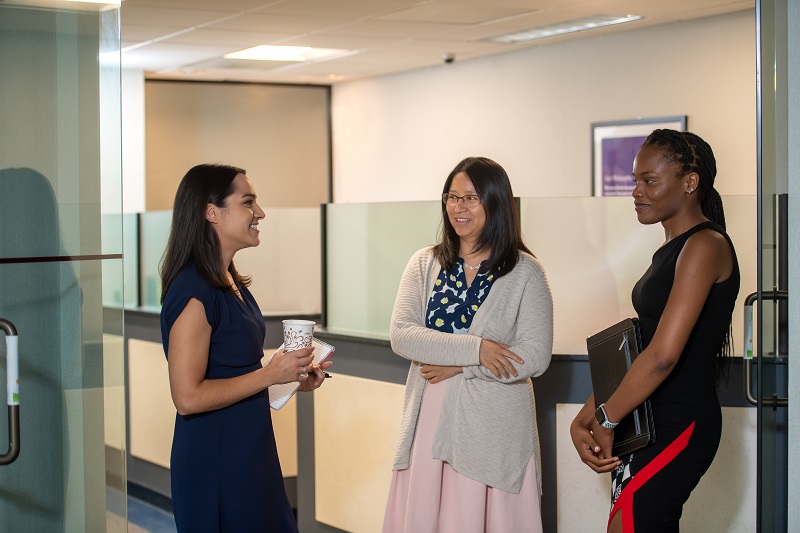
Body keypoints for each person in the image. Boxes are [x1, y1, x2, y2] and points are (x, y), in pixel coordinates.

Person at [570, 129, 740, 532]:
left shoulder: (704, 246)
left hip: (677, 423)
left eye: (649, 180)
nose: (636, 191)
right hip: (644, 420)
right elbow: (641, 346)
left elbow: (662, 358)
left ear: (690, 182)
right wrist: (590, 415)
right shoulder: (672, 249)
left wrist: (606, 419)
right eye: (634, 180)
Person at [382, 157, 553, 533]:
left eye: (471, 198)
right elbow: (403, 335)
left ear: (496, 203)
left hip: (493, 428)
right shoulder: (424, 263)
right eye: (452, 197)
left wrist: (461, 366)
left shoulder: (525, 272)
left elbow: (535, 355)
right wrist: (479, 350)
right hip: (429, 417)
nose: (459, 207)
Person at [159, 163, 331, 532]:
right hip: (216, 459)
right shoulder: (194, 291)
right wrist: (268, 373)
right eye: (248, 202)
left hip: (250, 449)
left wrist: (286, 378)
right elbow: (187, 397)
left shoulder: (229, 281)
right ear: (211, 212)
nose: (260, 213)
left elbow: (235, 373)